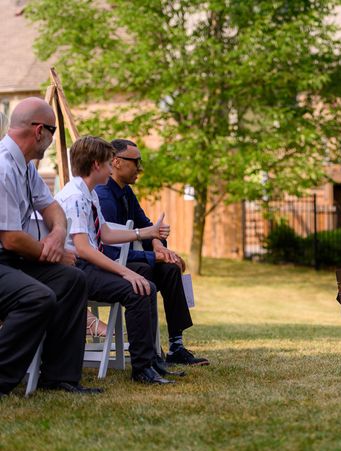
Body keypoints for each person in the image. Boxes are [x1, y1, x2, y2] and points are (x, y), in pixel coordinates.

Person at [55, 135, 175, 385]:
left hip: (86, 265)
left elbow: (105, 233)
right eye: (110, 163)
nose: (112, 168)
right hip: (75, 270)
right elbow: (83, 249)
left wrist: (146, 233)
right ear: (97, 165)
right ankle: (142, 369)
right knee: (138, 289)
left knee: (144, 285)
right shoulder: (75, 197)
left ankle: (149, 362)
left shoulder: (88, 193)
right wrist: (125, 272)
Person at [0, 97, 100, 395]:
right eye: (54, 132)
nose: (53, 140)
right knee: (37, 296)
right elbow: (11, 237)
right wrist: (52, 253)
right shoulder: (4, 167)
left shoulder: (27, 167)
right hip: (6, 255)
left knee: (72, 279)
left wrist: (57, 235)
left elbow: (53, 208)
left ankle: (59, 377)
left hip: (13, 258)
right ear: (40, 131)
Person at [95, 139, 209, 366]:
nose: (140, 168)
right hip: (107, 266)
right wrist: (151, 255)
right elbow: (110, 253)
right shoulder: (104, 197)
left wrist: (159, 247)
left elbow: (146, 226)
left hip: (129, 261)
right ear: (116, 162)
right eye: (135, 162)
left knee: (170, 268)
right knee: (147, 268)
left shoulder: (126, 192)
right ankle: (148, 352)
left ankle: (176, 345)